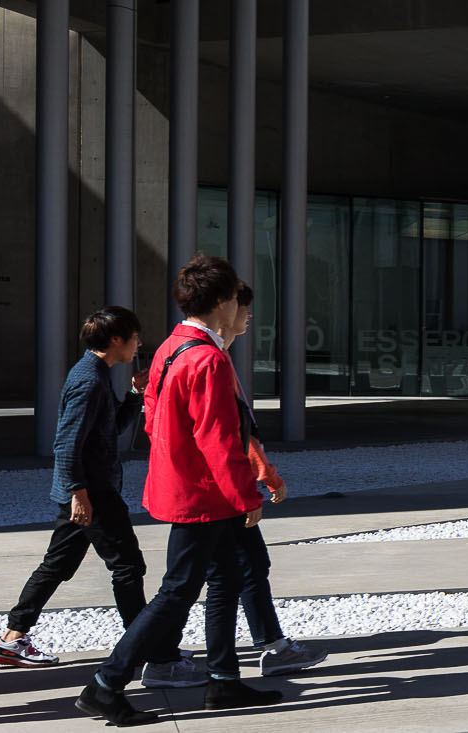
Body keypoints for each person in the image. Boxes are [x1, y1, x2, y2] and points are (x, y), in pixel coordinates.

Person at [74, 257, 282, 727]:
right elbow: (218, 438)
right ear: (222, 302)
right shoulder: (207, 357)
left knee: (224, 578)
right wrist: (246, 496)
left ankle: (224, 681)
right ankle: (105, 685)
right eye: (235, 300)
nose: (240, 309)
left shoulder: (171, 347)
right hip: (203, 492)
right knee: (177, 591)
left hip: (183, 485)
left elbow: (153, 417)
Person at [0, 307, 206, 692]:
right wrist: (79, 495)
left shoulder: (97, 374)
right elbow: (67, 443)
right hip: (93, 494)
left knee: (57, 565)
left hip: (88, 492)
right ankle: (151, 651)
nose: (139, 344)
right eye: (135, 337)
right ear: (117, 340)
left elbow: (109, 430)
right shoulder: (88, 380)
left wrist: (135, 394)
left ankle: (11, 638)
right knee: (129, 567)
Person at [204, 283, 326, 678]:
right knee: (190, 583)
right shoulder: (208, 359)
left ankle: (262, 651)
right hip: (216, 493)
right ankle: (139, 664)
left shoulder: (207, 354)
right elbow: (228, 437)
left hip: (214, 491)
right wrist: (258, 485)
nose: (249, 314)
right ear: (223, 306)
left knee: (240, 569)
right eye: (243, 306)